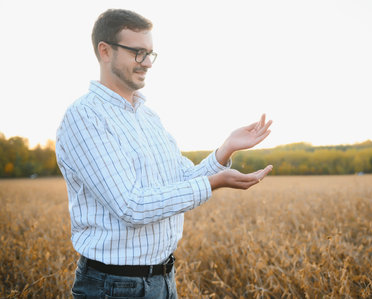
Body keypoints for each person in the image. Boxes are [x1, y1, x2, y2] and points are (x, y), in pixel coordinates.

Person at [55, 8, 273, 299]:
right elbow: (131, 206)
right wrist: (214, 183)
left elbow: (181, 177)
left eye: (150, 54)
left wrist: (225, 149)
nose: (147, 63)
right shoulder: (85, 117)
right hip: (114, 286)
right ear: (105, 51)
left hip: (163, 279)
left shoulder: (148, 117)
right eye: (137, 52)